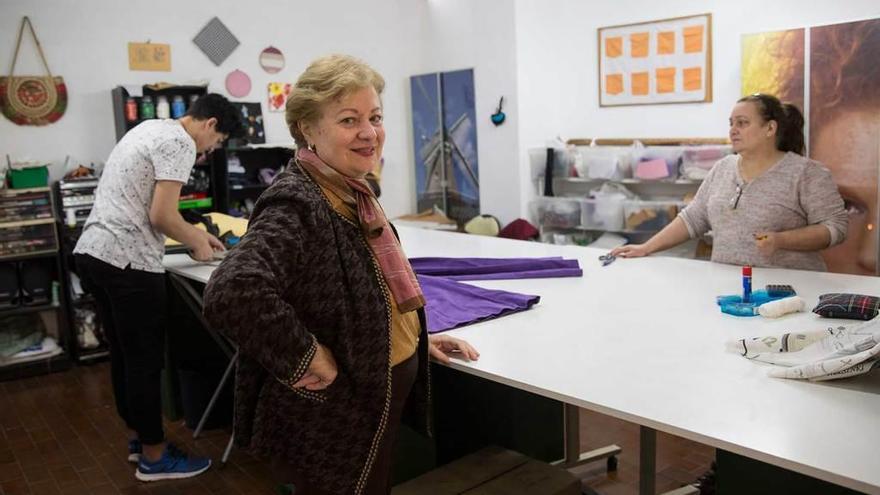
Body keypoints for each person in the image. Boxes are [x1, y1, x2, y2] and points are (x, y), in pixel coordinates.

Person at [202, 54, 479, 495]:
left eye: (375, 117)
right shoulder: (298, 201)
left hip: (372, 396)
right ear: (308, 128)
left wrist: (414, 337)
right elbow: (233, 291)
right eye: (349, 120)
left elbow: (367, 287)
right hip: (337, 417)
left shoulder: (350, 190)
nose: (369, 133)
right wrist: (306, 355)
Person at [74, 93, 242, 481]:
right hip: (129, 262)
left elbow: (153, 206)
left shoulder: (150, 128)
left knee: (125, 359)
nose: (209, 152)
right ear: (211, 124)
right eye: (216, 143)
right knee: (145, 364)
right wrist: (198, 241)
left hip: (95, 253)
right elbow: (161, 215)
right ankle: (154, 457)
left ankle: (138, 441)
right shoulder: (180, 142)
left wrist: (195, 232)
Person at [611, 93, 848, 271]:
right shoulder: (723, 167)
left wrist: (782, 240)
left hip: (790, 291)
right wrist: (646, 247)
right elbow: (694, 217)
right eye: (731, 123)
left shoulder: (807, 173)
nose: (733, 130)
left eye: (742, 123)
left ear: (770, 128)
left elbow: (836, 228)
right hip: (728, 286)